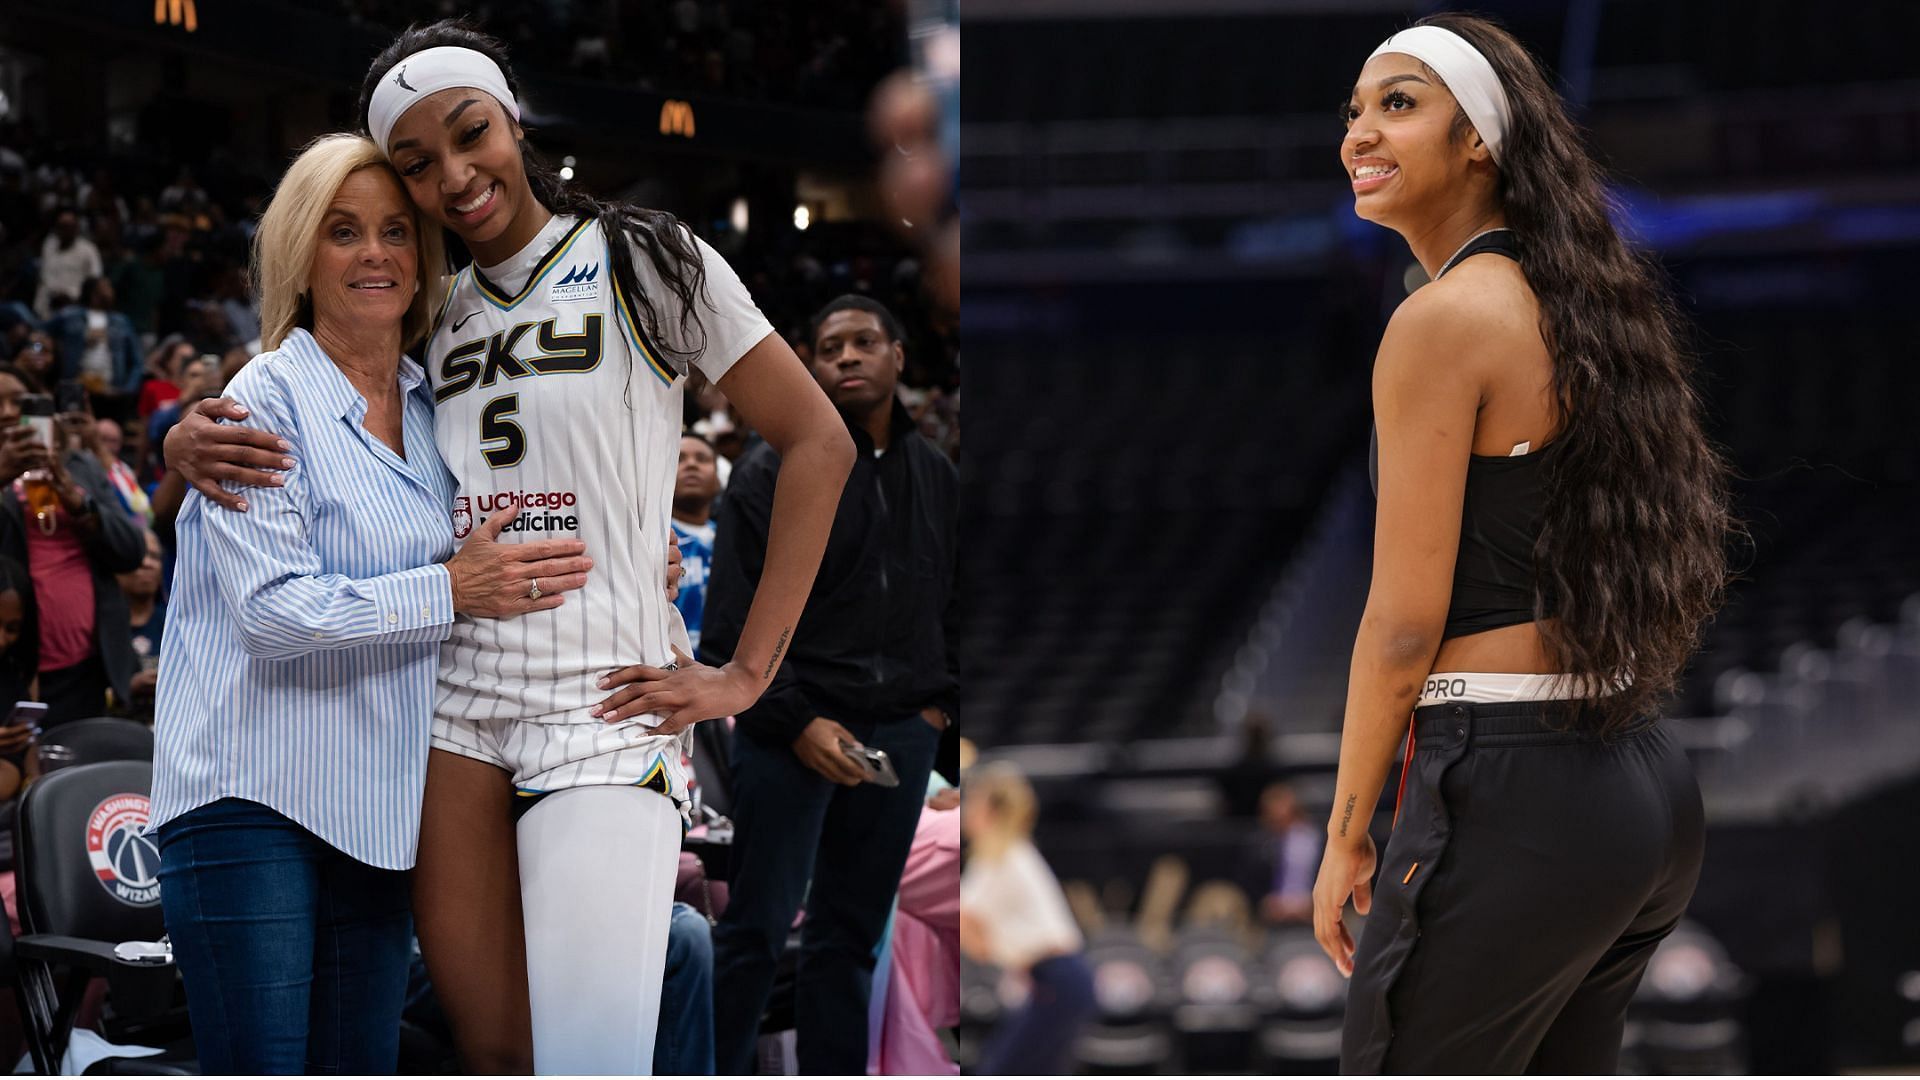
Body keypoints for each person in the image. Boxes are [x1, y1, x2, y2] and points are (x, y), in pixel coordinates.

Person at [165, 21, 853, 1074]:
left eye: (470, 132)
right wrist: (182, 437)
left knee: (589, 1059)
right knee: (492, 1057)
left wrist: (748, 673)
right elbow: (315, 399)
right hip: (450, 717)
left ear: (513, 119)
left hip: (603, 698)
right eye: (416, 163)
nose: (453, 175)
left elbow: (817, 442)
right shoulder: (430, 309)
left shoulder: (646, 254)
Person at [1312, 15, 1730, 1074]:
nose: (1361, 130)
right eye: (1355, 109)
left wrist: (1345, 831)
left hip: (1517, 786)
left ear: (1480, 143)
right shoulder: (1577, 305)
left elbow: (1403, 626)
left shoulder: (1442, 320)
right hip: (1636, 783)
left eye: (1398, 104)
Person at [147, 133, 595, 1074]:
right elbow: (275, 616)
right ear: (301, 255)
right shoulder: (264, 397)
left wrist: (630, 561)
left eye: (397, 231)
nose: (377, 253)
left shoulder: (443, 407)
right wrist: (447, 588)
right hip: (251, 796)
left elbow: (509, 537)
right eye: (344, 232)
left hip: (384, 809)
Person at [706, 293, 958, 1074]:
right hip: (792, 735)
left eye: (863, 342)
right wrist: (798, 724)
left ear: (898, 357)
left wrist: (935, 712)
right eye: (828, 347)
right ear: (809, 366)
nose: (846, 357)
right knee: (753, 931)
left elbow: (958, 606)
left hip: (899, 734)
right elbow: (728, 630)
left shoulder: (939, 475)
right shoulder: (768, 470)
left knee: (849, 940)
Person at [0, 365, 144, 726]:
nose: (6, 412)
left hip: (87, 668)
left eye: (17, 401)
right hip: (14, 668)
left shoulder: (79, 466)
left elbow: (131, 550)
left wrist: (76, 498)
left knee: (84, 774)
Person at [959, 762, 1094, 1076]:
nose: (966, 812)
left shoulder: (1002, 854)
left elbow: (966, 922)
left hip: (1058, 976)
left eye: (972, 802)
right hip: (1054, 978)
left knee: (1001, 1069)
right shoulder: (1010, 851)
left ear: (989, 809)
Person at [48, 276, 142, 397]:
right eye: (106, 287)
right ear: (93, 291)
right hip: (76, 387)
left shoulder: (121, 321)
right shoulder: (69, 315)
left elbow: (137, 361)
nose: (111, 291)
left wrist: (128, 389)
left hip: (111, 390)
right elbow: (42, 332)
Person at [671, 432, 721, 649]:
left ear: (719, 478)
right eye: (678, 458)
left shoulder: (737, 540)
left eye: (702, 459)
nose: (691, 465)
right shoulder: (649, 540)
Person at [1244, 781, 1318, 926]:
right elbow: (1248, 882)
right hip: (1269, 911)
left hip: (1320, 905)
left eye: (1287, 817)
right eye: (1274, 820)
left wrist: (1318, 901)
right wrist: (1264, 902)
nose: (1280, 824)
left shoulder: (1321, 839)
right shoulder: (1258, 845)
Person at [117, 528, 165, 714]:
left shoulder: (177, 623)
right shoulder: (95, 628)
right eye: (138, 555)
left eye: (155, 556)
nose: (147, 564)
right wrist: (125, 688)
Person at [33, 209, 101, 319]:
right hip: (45, 309)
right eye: (61, 226)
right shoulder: (49, 245)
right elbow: (43, 276)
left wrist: (73, 298)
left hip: (74, 308)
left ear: (76, 227)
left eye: (69, 226)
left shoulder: (88, 249)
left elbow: (94, 280)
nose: (65, 230)